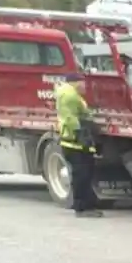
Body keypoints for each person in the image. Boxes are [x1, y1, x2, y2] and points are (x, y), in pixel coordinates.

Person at [53, 73, 102, 217]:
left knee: (84, 173)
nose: (85, 86)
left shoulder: (69, 93)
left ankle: (88, 204)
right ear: (76, 83)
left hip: (74, 140)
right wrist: (82, 130)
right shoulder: (69, 95)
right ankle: (81, 207)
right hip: (75, 140)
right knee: (82, 174)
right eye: (83, 83)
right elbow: (70, 117)